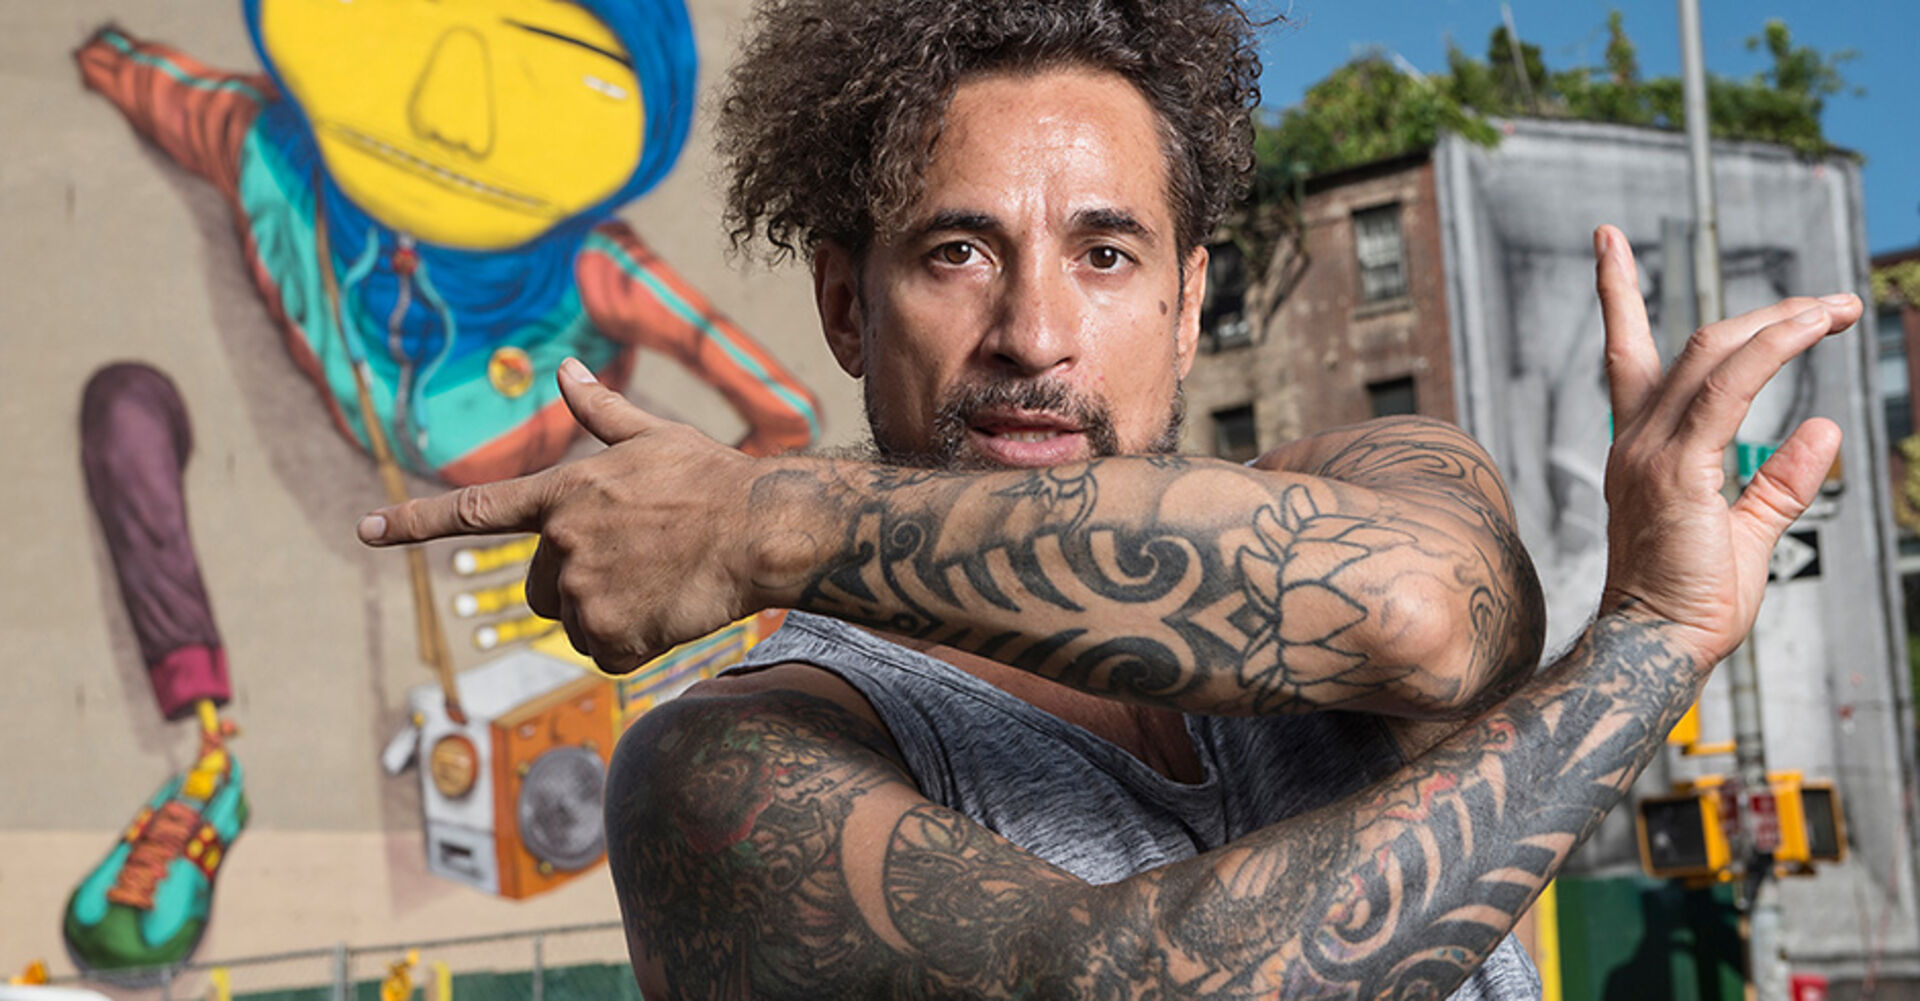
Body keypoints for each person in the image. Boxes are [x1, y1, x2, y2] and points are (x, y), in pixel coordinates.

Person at [357, 1, 1864, 996]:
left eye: (1106, 254)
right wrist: (1652, 640)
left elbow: (1422, 617)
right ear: (846, 306)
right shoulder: (726, 763)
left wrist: (761, 521)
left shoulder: (1373, 478)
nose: (1035, 333)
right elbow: (1121, 980)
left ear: (1191, 302)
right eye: (957, 252)